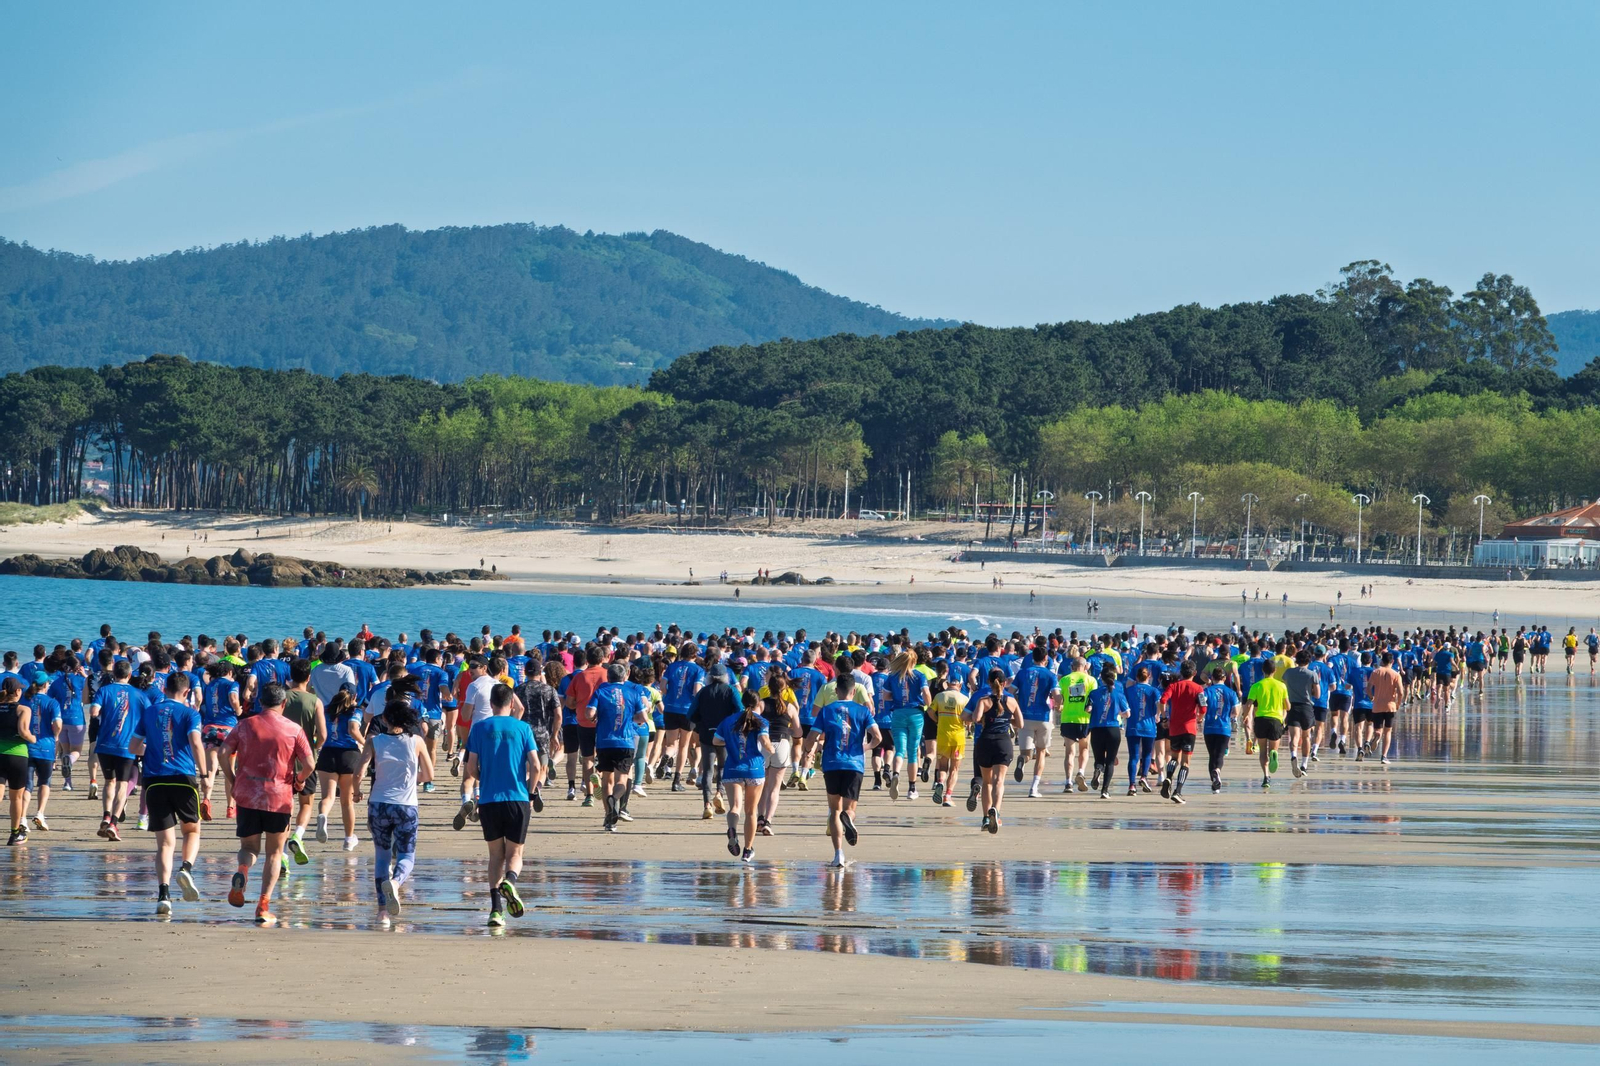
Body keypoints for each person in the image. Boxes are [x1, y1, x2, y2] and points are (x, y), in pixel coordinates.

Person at [222, 682, 314, 925]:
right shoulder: (294, 730)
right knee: (274, 853)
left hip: (248, 795)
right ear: (283, 704)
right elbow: (310, 764)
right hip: (279, 798)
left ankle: (243, 869)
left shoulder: (245, 724)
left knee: (249, 848)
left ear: (260, 702)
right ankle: (263, 906)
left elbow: (223, 753)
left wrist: (232, 779)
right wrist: (299, 781)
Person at [462, 683, 540, 928]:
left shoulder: (479, 728)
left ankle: (496, 911)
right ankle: (511, 881)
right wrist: (530, 791)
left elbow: (471, 768)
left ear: (491, 704)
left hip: (489, 800)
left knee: (495, 856)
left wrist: (484, 778)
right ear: (510, 703)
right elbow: (537, 766)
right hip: (517, 798)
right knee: (515, 853)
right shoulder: (523, 728)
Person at [352, 691, 434, 923]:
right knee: (407, 855)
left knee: (381, 857)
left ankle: (382, 913)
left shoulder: (374, 741)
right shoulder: (416, 741)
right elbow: (429, 774)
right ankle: (396, 883)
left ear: (386, 720)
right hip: (406, 805)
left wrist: (357, 791)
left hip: (378, 804)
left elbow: (359, 771)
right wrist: (412, 780)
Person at [128, 672, 206, 916]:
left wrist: (152, 749)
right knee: (191, 829)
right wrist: (204, 773)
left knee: (164, 843)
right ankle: (186, 868)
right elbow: (195, 743)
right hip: (183, 778)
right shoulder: (191, 713)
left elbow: (133, 747)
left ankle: (164, 895)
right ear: (186, 692)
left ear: (164, 689)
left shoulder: (150, 711)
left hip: (154, 780)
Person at [802, 673, 879, 868]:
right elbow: (877, 737)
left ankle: (838, 854)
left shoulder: (827, 711)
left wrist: (807, 750)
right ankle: (850, 819)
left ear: (836, 692)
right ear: (854, 692)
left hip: (832, 764)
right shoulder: (863, 711)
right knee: (849, 809)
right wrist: (866, 748)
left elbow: (812, 736)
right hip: (854, 764)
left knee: (834, 810)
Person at [586, 663, 650, 831]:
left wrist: (596, 717)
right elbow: (643, 717)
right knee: (622, 778)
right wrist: (631, 719)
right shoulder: (634, 692)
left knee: (607, 779)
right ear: (625, 676)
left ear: (608, 677)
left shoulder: (600, 691)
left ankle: (609, 819)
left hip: (604, 741)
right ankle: (615, 799)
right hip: (626, 740)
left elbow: (589, 714)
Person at [91, 660, 148, 841]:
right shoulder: (138, 694)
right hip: (126, 745)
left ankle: (106, 816)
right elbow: (149, 714)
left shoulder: (104, 690)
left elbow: (93, 711)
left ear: (114, 674)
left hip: (105, 744)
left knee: (109, 782)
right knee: (122, 784)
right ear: (130, 675)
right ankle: (114, 823)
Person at [715, 690, 773, 862]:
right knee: (751, 811)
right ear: (758, 703)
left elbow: (716, 741)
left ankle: (732, 829)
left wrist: (732, 743)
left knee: (735, 807)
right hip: (754, 769)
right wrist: (772, 749)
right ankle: (747, 850)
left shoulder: (729, 720)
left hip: (733, 768)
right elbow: (764, 741)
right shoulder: (761, 721)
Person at [282, 658, 327, 864]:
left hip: (283, 758)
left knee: (285, 805)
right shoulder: (314, 701)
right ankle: (298, 836)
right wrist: (313, 748)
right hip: (305, 758)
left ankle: (281, 852)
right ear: (309, 678)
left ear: (291, 675)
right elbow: (323, 735)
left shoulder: (282, 698)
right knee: (307, 802)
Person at [966, 668, 1020, 832]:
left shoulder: (983, 700)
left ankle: (985, 818)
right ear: (1005, 683)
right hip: (1003, 742)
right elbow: (1020, 723)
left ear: (989, 683)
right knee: (999, 781)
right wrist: (1005, 719)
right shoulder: (1011, 701)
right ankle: (995, 810)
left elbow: (975, 719)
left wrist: (985, 718)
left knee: (987, 782)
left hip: (985, 742)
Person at [315, 687, 365, 850]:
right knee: (347, 801)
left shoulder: (326, 709)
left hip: (328, 752)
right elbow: (353, 729)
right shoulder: (355, 711)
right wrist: (365, 743)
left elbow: (319, 732)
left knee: (327, 796)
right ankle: (349, 839)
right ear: (354, 696)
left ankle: (323, 815)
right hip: (349, 755)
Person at [690, 665, 740, 819]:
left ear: (710, 676)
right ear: (725, 676)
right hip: (725, 733)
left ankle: (707, 805)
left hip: (707, 733)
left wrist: (701, 721)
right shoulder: (731, 690)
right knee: (724, 766)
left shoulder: (703, 691)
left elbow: (691, 713)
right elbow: (740, 710)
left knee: (707, 769)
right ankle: (719, 792)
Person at [1010, 645, 1058, 799]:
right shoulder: (1050, 675)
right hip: (1042, 717)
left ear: (1032, 658)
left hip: (1025, 716)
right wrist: (1059, 703)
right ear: (1045, 659)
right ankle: (1034, 787)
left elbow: (1010, 692)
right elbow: (1057, 696)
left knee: (1026, 752)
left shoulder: (1023, 673)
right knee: (1041, 752)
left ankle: (1022, 760)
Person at [883, 651, 930, 801]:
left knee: (900, 749)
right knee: (913, 751)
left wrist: (897, 697)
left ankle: (895, 774)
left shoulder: (892, 676)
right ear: (914, 662)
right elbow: (926, 694)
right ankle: (911, 788)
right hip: (916, 713)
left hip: (898, 713)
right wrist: (927, 703)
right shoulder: (919, 676)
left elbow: (885, 697)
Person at [199, 660, 242, 819]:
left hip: (209, 728)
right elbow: (233, 698)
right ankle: (230, 807)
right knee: (229, 769)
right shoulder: (232, 684)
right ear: (230, 672)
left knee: (211, 769)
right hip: (228, 729)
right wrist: (238, 710)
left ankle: (206, 799)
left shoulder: (210, 685)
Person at [1156, 660, 1203, 803]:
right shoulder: (1198, 688)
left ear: (1181, 673)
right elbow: (1203, 707)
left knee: (1174, 757)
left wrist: (1164, 718)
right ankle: (1178, 791)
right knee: (1185, 762)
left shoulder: (1173, 686)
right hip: (1189, 728)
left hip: (1174, 728)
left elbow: (1162, 701)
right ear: (1194, 673)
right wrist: (1200, 718)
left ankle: (1168, 777)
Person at [1243, 657, 1289, 790]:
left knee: (1262, 751)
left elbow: (1249, 704)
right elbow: (1288, 706)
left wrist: (1245, 717)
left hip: (1261, 719)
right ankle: (1274, 753)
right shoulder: (1281, 686)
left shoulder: (1256, 686)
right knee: (1272, 749)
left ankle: (1266, 776)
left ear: (1263, 670)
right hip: (1276, 720)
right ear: (1275, 671)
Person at [0, 679, 36, 845]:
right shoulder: (23, 709)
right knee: (16, 797)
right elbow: (23, 732)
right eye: (20, 690)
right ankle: (15, 834)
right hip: (17, 756)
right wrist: (33, 739)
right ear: (17, 692)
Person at [22, 678, 61, 832]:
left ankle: (22, 818)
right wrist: (56, 735)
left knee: (27, 784)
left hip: (27, 746)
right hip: (46, 746)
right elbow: (57, 724)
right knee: (45, 781)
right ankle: (40, 813)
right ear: (45, 685)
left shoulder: (25, 701)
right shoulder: (52, 703)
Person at [928, 667, 969, 807]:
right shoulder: (964, 699)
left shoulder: (940, 696)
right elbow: (968, 719)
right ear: (960, 684)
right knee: (954, 768)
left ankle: (939, 782)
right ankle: (948, 795)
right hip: (958, 737)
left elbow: (930, 711)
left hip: (943, 734)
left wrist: (937, 720)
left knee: (943, 766)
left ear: (948, 683)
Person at [1056, 656, 1096, 794]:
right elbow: (1093, 699)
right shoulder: (1091, 680)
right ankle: (1080, 772)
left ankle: (1068, 782)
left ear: (1072, 667)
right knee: (1084, 748)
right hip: (1084, 719)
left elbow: (1059, 699)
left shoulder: (1065, 680)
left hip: (1068, 718)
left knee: (1069, 752)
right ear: (1085, 667)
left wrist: (1059, 706)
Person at [1199, 667, 1239, 793]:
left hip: (1210, 727)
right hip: (1224, 727)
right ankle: (1217, 771)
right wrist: (1229, 716)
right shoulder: (1231, 693)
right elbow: (1236, 711)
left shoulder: (1206, 691)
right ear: (1225, 678)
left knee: (1212, 755)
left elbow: (1201, 705)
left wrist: (1201, 717)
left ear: (1212, 678)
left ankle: (1214, 783)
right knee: (1220, 754)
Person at [1123, 665, 1161, 795]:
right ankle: (1144, 776)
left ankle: (1132, 785)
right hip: (1149, 726)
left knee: (1133, 756)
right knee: (1147, 754)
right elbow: (1160, 704)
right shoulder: (1154, 691)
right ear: (1149, 677)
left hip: (1133, 725)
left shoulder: (1129, 690)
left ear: (1136, 677)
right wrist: (1158, 715)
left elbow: (1124, 706)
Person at [1366, 651, 1405, 766]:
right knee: (1388, 731)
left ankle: (1377, 735)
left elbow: (1368, 688)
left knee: (1378, 729)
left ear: (1382, 661)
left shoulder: (1375, 672)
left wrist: (1371, 697)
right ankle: (1384, 756)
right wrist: (1398, 704)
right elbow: (1401, 692)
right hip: (1390, 706)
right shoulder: (1396, 675)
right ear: (1392, 661)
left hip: (1377, 705)